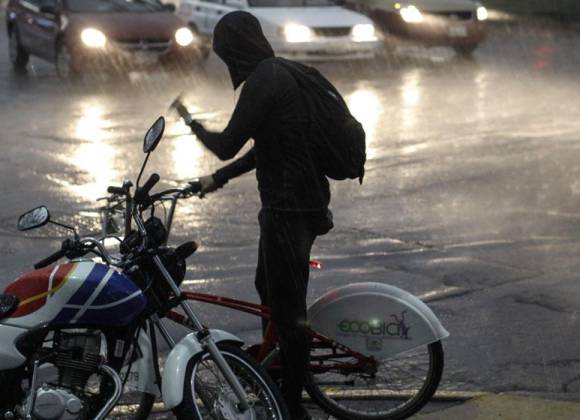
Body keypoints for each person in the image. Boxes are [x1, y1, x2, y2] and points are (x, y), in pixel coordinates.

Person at [187, 11, 333, 420]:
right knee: (266, 286)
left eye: (224, 53)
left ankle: (292, 403)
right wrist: (216, 179)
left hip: (289, 209)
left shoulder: (263, 81)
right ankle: (280, 361)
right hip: (299, 204)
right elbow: (262, 149)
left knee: (289, 312)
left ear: (234, 48)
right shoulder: (279, 73)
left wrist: (190, 123)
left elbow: (228, 143)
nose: (225, 63)